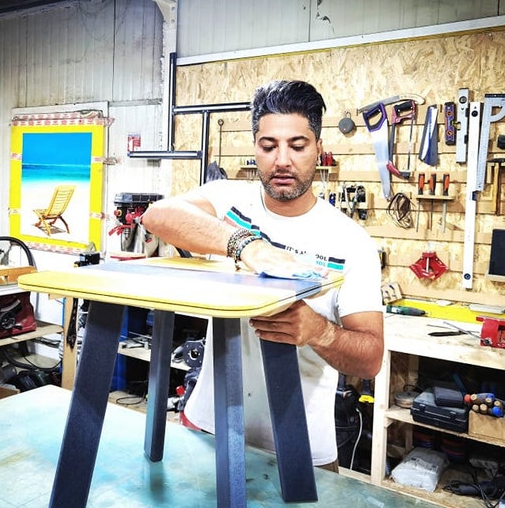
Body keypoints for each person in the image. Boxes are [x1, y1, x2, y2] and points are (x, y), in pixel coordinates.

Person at [141, 79, 384, 471]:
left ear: (319, 149)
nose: (282, 160)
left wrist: (318, 331)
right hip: (207, 428)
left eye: (297, 146)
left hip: (302, 451)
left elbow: (370, 359)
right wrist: (248, 246)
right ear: (255, 147)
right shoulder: (229, 200)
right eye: (268, 146)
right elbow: (157, 216)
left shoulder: (351, 242)